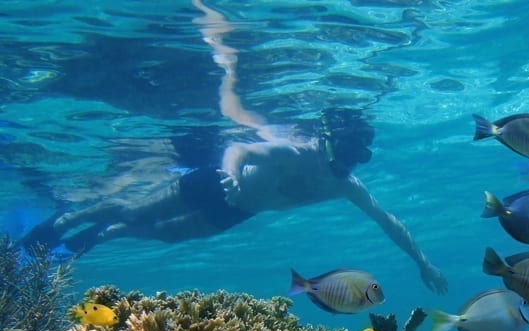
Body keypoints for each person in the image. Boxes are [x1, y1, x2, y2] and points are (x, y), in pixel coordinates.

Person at [20, 1, 448, 295]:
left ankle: (100, 236)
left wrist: (423, 263)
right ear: (330, 141)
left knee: (167, 235)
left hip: (240, 211)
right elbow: (241, 151)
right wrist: (228, 172)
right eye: (348, 152)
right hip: (217, 185)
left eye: (358, 158)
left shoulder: (345, 186)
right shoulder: (295, 152)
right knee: (133, 209)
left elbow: (387, 221)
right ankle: (67, 220)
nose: (351, 163)